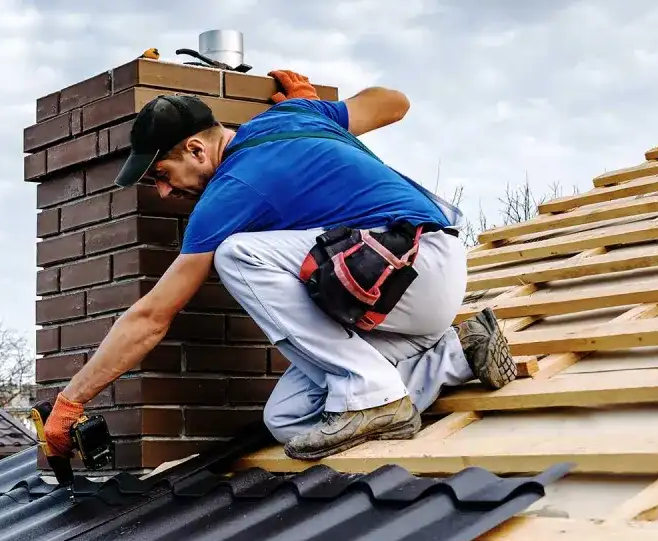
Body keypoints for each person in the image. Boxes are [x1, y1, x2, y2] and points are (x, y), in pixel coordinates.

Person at [41, 69, 515, 462]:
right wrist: (322, 112)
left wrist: (72, 400)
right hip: (404, 297)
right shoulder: (296, 113)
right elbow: (394, 101)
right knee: (288, 419)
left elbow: (151, 317)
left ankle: (374, 394)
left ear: (196, 149)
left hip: (413, 265)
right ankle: (456, 354)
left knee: (238, 254)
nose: (164, 193)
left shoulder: (231, 191)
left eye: (162, 176)